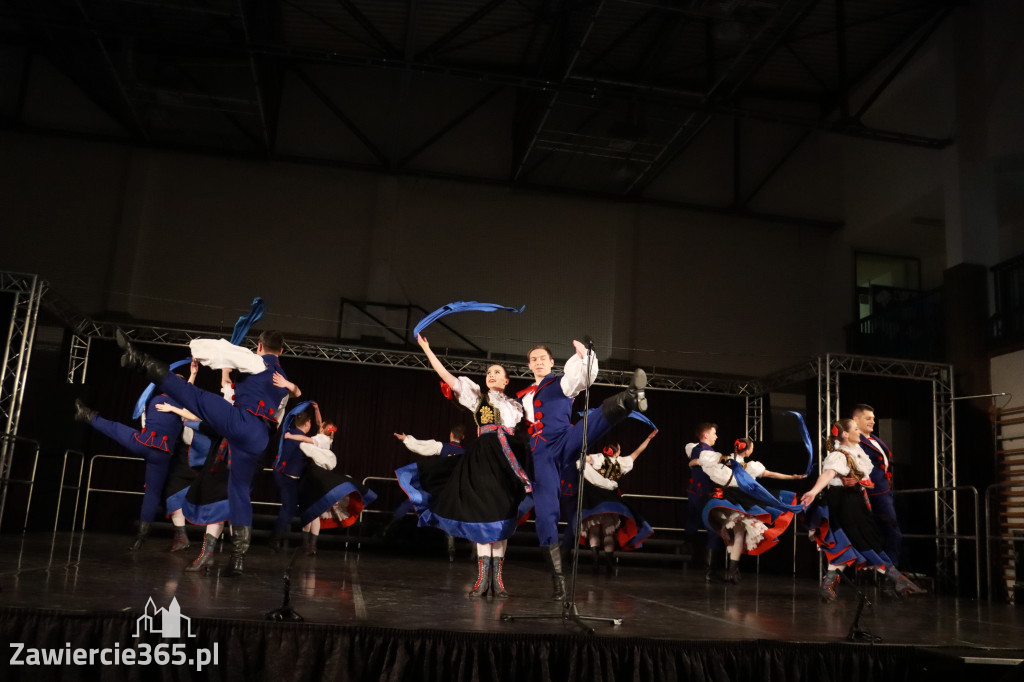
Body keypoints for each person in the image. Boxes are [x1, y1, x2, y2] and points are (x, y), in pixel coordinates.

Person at [116, 328, 300, 576]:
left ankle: (141, 361)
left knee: (198, 398)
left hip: (242, 425)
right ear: (282, 351)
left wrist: (196, 347)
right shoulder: (282, 379)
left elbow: (220, 351)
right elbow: (280, 407)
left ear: (259, 347)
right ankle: (237, 560)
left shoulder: (257, 362)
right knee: (238, 494)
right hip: (259, 439)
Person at [396, 334, 531, 599]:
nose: (491, 375)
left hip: (507, 462)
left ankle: (498, 582)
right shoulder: (477, 397)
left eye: (497, 372)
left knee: (502, 520)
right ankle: (482, 580)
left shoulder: (517, 405)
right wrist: (427, 348)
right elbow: (447, 376)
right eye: (489, 372)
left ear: (506, 380)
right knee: (483, 516)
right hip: (483, 459)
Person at [518, 341, 648, 600]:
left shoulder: (561, 384)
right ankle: (558, 580)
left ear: (551, 362)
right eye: (534, 359)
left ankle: (629, 398)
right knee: (546, 514)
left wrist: (586, 357)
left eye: (543, 358)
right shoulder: (523, 396)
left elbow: (582, 379)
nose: (539, 362)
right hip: (540, 454)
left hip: (564, 439)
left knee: (591, 420)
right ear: (529, 365)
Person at [800, 419, 923, 601]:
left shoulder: (857, 453)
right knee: (862, 539)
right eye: (856, 429)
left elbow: (868, 482)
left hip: (855, 501)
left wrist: (859, 482)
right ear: (845, 434)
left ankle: (828, 585)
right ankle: (896, 578)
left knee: (850, 543)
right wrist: (813, 491)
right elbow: (828, 474)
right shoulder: (838, 455)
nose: (860, 432)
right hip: (842, 501)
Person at [74, 375, 187, 552]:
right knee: (152, 494)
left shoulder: (156, 400)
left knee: (116, 428)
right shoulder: (183, 406)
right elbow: (187, 394)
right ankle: (140, 538)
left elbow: (182, 391)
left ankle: (88, 416)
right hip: (163, 455)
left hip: (144, 443)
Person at [697, 437, 806, 583]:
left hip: (717, 500)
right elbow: (771, 474)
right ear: (747, 450)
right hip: (736, 500)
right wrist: (792, 477)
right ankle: (731, 569)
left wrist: (692, 463)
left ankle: (727, 570)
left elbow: (696, 462)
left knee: (726, 532)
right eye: (752, 447)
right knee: (738, 532)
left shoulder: (718, 459)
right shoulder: (749, 467)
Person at [576, 431, 657, 573]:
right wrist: (648, 438)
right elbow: (636, 453)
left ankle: (595, 563)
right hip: (611, 500)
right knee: (609, 532)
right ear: (616, 452)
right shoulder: (622, 463)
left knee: (594, 530)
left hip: (594, 499)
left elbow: (584, 459)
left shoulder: (599, 458)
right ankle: (609, 564)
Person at [385, 425, 466, 540]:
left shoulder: (442, 447)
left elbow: (422, 447)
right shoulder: (465, 454)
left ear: (451, 434)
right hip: (450, 493)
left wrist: (406, 439)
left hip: (434, 487)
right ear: (463, 437)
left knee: (411, 500)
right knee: (449, 515)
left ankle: (386, 529)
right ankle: (451, 546)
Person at [852, 403, 903, 567]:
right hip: (873, 492)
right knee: (889, 530)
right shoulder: (854, 441)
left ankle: (886, 568)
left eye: (873, 418)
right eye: (868, 418)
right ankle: (889, 569)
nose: (872, 421)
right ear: (856, 420)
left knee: (888, 530)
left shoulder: (874, 439)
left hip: (884, 490)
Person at [685, 423, 721, 581]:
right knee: (712, 528)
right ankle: (709, 569)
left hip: (700, 494)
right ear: (705, 435)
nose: (716, 436)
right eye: (714, 433)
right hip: (702, 495)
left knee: (705, 528)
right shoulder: (700, 450)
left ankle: (706, 566)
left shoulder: (700, 450)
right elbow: (702, 458)